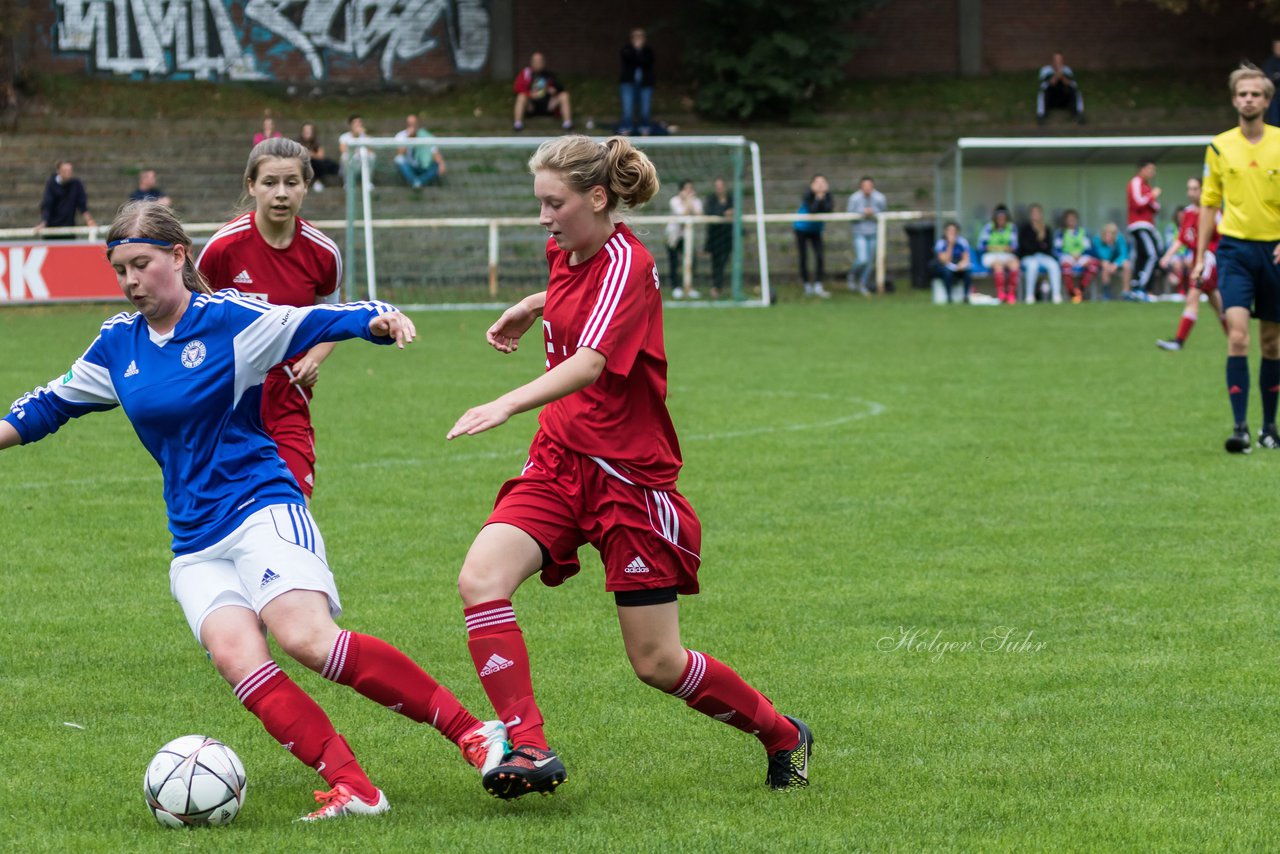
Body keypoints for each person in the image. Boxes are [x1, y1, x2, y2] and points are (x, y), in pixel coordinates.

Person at [0, 201, 508, 822]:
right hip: (193, 538)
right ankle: (356, 789)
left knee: (307, 640)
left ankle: (474, 733)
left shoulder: (229, 322)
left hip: (260, 506)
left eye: (142, 264)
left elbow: (320, 318)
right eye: (120, 271)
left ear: (179, 258)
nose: (131, 282)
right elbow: (50, 403)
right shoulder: (118, 344)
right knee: (238, 659)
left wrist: (379, 320)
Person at [445, 135, 812, 800]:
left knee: (657, 662)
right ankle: (527, 744)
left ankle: (783, 733)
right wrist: (532, 306)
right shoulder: (566, 248)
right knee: (480, 579)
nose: (543, 218)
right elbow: (569, 288)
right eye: (539, 204)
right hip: (559, 462)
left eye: (554, 203)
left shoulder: (629, 262)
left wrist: (504, 402)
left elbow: (588, 362)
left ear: (598, 197)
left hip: (626, 483)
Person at [196, 138, 343, 501]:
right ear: (251, 185)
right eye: (269, 183)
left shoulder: (323, 253)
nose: (281, 194)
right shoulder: (223, 248)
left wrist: (313, 358)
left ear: (306, 187)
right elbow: (190, 320)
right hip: (226, 398)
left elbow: (332, 320)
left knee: (295, 505)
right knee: (225, 516)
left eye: (291, 183)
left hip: (287, 396)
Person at [1193, 63, 1280, 453]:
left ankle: (1269, 428)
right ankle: (1240, 428)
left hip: (1275, 252)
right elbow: (1209, 205)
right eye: (1243, 94)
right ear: (1234, 100)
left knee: (1272, 344)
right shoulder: (1219, 146)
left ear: (1267, 100)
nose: (1249, 99)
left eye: (1256, 94)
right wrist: (1199, 258)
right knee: (1238, 336)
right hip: (1234, 253)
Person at [1157, 177, 1223, 351]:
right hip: (1197, 259)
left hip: (1208, 259)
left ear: (1203, 190)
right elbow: (1182, 239)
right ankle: (1236, 337)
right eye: (1189, 189)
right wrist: (1167, 257)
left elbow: (1223, 238)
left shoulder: (1213, 212)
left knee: (1193, 295)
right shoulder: (1188, 213)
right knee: (1216, 301)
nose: (1190, 193)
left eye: (1195, 189)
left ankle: (1178, 341)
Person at [1127, 159, 1163, 300]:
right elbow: (1138, 202)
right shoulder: (1136, 182)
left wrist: (1151, 198)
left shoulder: (1147, 186)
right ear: (1142, 169)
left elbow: (1155, 207)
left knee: (1143, 256)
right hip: (1139, 225)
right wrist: (1151, 196)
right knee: (1151, 255)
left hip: (1148, 225)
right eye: (1150, 169)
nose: (1153, 173)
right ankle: (1141, 288)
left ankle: (1140, 288)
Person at [846, 176, 886, 295]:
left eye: (870, 186)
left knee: (869, 262)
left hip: (874, 232)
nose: (867, 188)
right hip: (859, 232)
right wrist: (862, 213)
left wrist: (873, 213)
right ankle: (852, 275)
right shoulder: (854, 198)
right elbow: (849, 215)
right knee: (862, 259)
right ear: (861, 187)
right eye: (865, 186)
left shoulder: (880, 198)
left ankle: (863, 284)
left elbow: (884, 214)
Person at [794, 174, 833, 298]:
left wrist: (822, 197)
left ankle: (818, 285)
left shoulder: (828, 196)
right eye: (817, 182)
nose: (820, 185)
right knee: (804, 257)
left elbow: (828, 209)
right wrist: (818, 198)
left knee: (820, 256)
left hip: (816, 230)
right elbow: (813, 210)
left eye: (823, 182)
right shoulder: (808, 195)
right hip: (801, 229)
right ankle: (806, 285)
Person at [513, 52, 573, 132]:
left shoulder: (549, 75)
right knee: (521, 96)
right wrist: (530, 94)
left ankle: (567, 124)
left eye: (540, 61)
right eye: (536, 61)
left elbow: (560, 88)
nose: (538, 63)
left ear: (543, 62)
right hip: (532, 105)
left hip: (547, 105)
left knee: (564, 95)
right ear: (531, 62)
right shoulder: (526, 73)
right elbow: (517, 88)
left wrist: (553, 90)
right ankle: (518, 125)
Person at [34, 160, 96, 237]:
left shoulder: (76, 184)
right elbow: (47, 204)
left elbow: (82, 205)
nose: (68, 173)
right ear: (59, 171)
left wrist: (89, 220)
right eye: (65, 170)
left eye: (70, 170)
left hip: (69, 227)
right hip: (52, 229)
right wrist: (43, 222)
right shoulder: (51, 184)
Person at [665, 179, 703, 299]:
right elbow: (682, 214)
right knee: (674, 261)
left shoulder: (696, 201)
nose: (688, 192)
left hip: (687, 236)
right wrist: (687, 202)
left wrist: (690, 202)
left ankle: (689, 287)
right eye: (686, 189)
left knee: (692, 260)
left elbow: (699, 215)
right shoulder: (674, 201)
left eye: (690, 189)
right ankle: (675, 287)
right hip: (673, 236)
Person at [1017, 203, 1062, 304]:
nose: (1035, 215)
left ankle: (1056, 295)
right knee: (1033, 266)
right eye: (1033, 213)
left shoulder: (1046, 229)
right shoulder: (1025, 229)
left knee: (1053, 265)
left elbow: (1048, 248)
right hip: (1028, 257)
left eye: (1038, 213)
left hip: (1043, 257)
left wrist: (1042, 239)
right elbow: (1025, 248)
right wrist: (1038, 239)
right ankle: (1029, 295)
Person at [977, 204, 1019, 304]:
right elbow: (981, 245)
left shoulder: (1011, 227)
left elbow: (1014, 246)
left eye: (1003, 216)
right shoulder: (988, 227)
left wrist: (996, 247)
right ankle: (1001, 293)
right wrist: (1001, 248)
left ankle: (1011, 294)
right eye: (999, 216)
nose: (1001, 219)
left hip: (1006, 255)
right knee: (998, 265)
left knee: (1015, 264)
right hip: (991, 256)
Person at [394, 114, 447, 191]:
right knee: (398, 160)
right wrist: (408, 138)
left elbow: (435, 153)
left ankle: (418, 182)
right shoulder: (401, 136)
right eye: (409, 123)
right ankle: (416, 181)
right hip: (409, 166)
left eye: (413, 123)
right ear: (406, 124)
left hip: (424, 165)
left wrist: (441, 164)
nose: (411, 126)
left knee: (437, 165)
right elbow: (400, 154)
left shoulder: (426, 135)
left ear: (417, 124)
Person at [619, 28, 655, 135]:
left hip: (645, 84)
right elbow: (629, 60)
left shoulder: (648, 51)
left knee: (645, 109)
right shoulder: (626, 49)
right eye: (636, 36)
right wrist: (636, 50)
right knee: (627, 109)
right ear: (631, 38)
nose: (638, 39)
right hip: (628, 83)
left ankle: (644, 128)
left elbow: (646, 62)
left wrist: (639, 51)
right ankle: (626, 129)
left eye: (640, 36)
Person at [1055, 209, 1097, 303]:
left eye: (1073, 219)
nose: (1071, 221)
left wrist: (1081, 255)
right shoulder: (1061, 233)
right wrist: (1070, 254)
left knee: (1093, 264)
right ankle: (1071, 293)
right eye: (1069, 219)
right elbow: (1056, 250)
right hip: (1067, 256)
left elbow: (1090, 249)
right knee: (1066, 267)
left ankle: (1081, 289)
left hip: (1081, 256)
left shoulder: (1083, 232)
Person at [703, 177, 734, 299]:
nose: (719, 188)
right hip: (715, 236)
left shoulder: (731, 198)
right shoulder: (711, 199)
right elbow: (710, 212)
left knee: (724, 261)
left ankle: (719, 286)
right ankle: (716, 287)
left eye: (721, 186)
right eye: (717, 186)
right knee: (716, 262)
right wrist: (724, 213)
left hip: (727, 235)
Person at [1036, 52, 1085, 124]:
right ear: (1052, 61)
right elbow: (1050, 83)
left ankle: (1078, 114)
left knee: (1076, 91)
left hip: (1064, 98)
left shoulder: (1067, 70)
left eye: (1060, 60)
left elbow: (1071, 84)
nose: (1058, 62)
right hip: (1050, 99)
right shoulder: (1045, 70)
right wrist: (1057, 73)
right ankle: (1041, 116)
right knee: (1042, 93)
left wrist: (1061, 75)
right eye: (1056, 60)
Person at [932, 220, 972, 303]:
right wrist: (950, 245)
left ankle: (966, 296)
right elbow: (944, 260)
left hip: (958, 265)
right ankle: (949, 296)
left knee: (967, 272)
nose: (952, 233)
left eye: (954, 231)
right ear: (945, 232)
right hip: (945, 266)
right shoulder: (941, 243)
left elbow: (966, 258)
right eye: (950, 231)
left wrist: (962, 265)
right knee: (947, 272)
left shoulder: (962, 241)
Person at [1090, 222, 1131, 301]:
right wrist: (1109, 246)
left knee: (1126, 265)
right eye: (1106, 234)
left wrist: (1115, 264)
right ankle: (1106, 293)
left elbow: (1124, 254)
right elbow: (1102, 255)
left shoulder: (1119, 238)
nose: (1108, 236)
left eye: (1111, 234)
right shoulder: (1098, 239)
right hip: (1104, 261)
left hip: (1116, 261)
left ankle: (1126, 292)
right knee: (1105, 266)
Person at [298, 122, 340, 192]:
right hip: (303, 165)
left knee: (325, 162)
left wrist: (311, 154)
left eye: (309, 131)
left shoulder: (316, 143)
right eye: (305, 131)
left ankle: (318, 181)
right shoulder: (298, 143)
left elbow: (321, 156)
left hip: (316, 165)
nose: (307, 133)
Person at [338, 115, 376, 183]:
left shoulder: (365, 136)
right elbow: (343, 150)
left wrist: (363, 134)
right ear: (350, 125)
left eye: (359, 122)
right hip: (351, 161)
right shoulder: (344, 137)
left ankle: (368, 182)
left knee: (372, 156)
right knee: (344, 157)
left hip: (363, 160)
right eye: (355, 122)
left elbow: (370, 150)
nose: (357, 124)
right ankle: (348, 182)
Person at [1264, 40, 1280, 128]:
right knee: (1274, 122)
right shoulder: (1269, 62)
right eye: (1277, 47)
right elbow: (1268, 78)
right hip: (1274, 97)